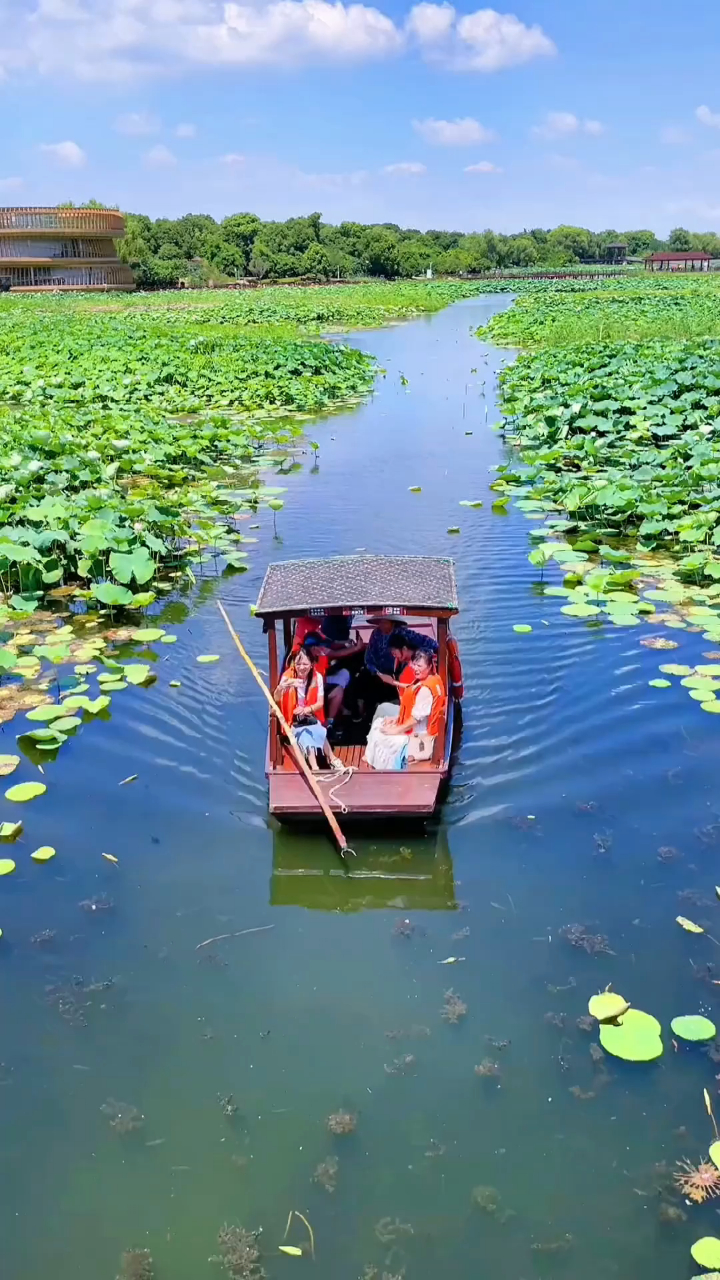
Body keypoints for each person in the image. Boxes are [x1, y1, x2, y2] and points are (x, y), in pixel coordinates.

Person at [363, 649, 446, 771]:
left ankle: (374, 765)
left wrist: (396, 730)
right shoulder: (432, 679)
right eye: (415, 665)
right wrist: (397, 719)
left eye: (420, 666)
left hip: (419, 740)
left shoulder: (425, 690)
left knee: (379, 731)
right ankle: (371, 759)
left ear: (429, 667)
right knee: (380, 720)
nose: (416, 669)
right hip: (417, 731)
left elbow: (415, 720)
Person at [274, 645, 342, 771]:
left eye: (305, 664)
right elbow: (276, 699)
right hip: (293, 721)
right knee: (306, 735)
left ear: (311, 664)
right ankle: (315, 768)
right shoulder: (288, 677)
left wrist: (306, 710)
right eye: (298, 664)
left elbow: (320, 703)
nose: (301, 667)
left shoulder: (317, 677)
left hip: (310, 717)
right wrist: (281, 687)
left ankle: (333, 759)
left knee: (319, 730)